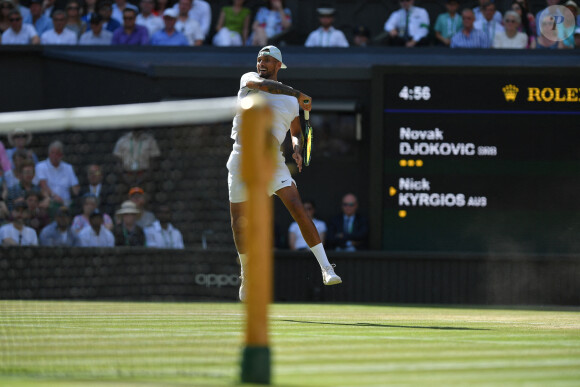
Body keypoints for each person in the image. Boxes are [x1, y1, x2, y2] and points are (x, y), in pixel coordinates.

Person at [228, 45, 342, 302]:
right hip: (241, 157)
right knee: (238, 222)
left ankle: (326, 267)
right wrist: (299, 93)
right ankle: (246, 275)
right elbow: (267, 87)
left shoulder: (291, 103)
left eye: (267, 61)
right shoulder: (248, 81)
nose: (261, 64)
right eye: (259, 60)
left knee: (295, 205)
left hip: (272, 161)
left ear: (278, 65)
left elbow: (296, 131)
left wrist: (298, 150)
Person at [35, 140, 80, 208]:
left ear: (61, 155)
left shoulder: (68, 168)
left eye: (57, 154)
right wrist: (55, 197)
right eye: (52, 153)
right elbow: (43, 185)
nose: (54, 156)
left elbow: (75, 186)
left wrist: (77, 195)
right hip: (50, 202)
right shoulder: (40, 166)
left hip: (66, 203)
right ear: (49, 154)